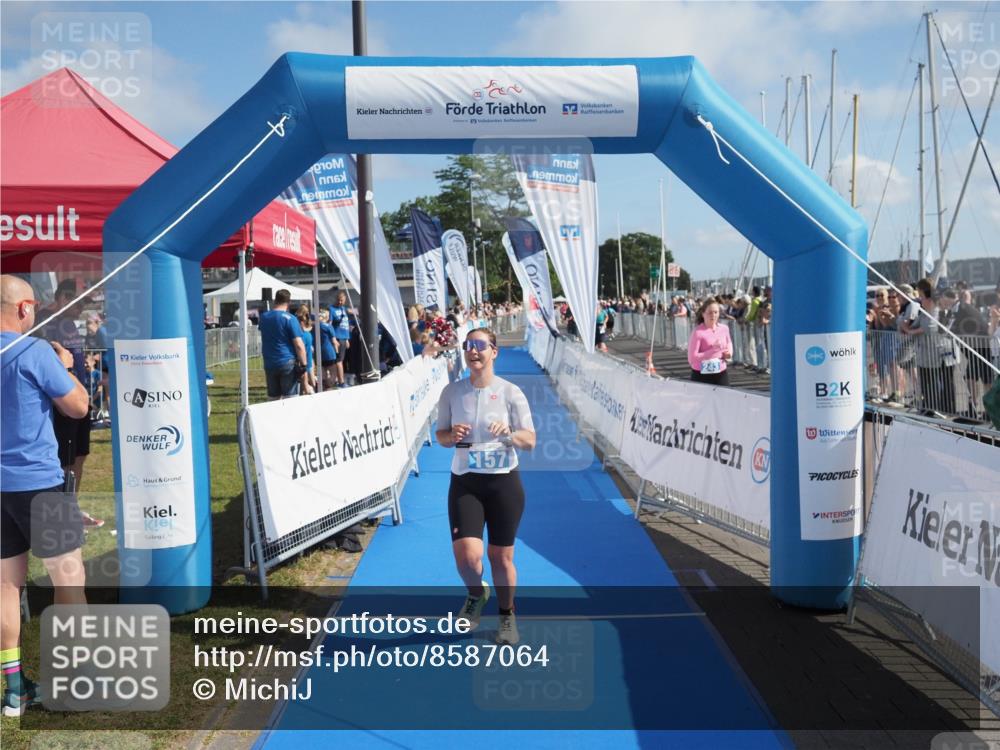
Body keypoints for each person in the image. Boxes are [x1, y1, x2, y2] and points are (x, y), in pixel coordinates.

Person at [1, 275, 91, 716]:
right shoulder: (34, 351)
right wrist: (68, 367)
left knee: (4, 587)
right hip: (38, 483)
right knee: (69, 583)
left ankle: (14, 691)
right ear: (24, 308)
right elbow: (78, 405)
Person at [434, 328, 536, 645]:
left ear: (494, 351)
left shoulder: (511, 392)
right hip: (465, 481)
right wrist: (453, 436)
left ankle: (507, 616)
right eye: (468, 346)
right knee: (467, 558)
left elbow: (529, 441)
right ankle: (477, 594)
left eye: (480, 345)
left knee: (499, 558)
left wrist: (508, 434)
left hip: (504, 482)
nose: (473, 351)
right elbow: (441, 437)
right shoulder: (451, 393)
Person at [259, 289, 308, 400]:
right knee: (290, 398)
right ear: (289, 302)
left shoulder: (264, 317)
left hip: (270, 362)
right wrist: (304, 365)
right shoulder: (290, 319)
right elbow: (299, 345)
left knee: (273, 399)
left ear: (275, 300)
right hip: (287, 361)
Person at [687, 298, 733, 386]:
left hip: (721, 372)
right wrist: (713, 351)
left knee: (724, 399)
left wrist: (729, 353)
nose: (713, 315)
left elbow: (729, 343)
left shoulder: (724, 328)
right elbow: (692, 358)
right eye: (710, 312)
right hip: (701, 374)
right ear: (703, 314)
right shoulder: (698, 332)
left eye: (716, 312)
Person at [328, 291, 352, 388]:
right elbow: (330, 323)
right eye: (339, 300)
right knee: (339, 361)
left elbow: (345, 325)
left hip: (343, 338)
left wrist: (347, 339)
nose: (340, 302)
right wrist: (333, 337)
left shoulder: (343, 309)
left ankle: (339, 380)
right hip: (337, 338)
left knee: (341, 360)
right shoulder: (332, 309)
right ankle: (341, 382)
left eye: (342, 300)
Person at [295, 305, 317, 395]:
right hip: (307, 346)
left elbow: (300, 330)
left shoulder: (297, 319)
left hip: (304, 344)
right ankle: (314, 391)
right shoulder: (307, 319)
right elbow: (306, 328)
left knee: (303, 377)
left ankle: (305, 392)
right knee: (310, 376)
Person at [317, 309, 339, 389]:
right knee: (333, 371)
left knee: (323, 371)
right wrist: (337, 352)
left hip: (319, 352)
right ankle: (330, 386)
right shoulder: (329, 326)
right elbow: (334, 341)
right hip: (329, 352)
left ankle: (323, 386)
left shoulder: (316, 326)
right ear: (327, 317)